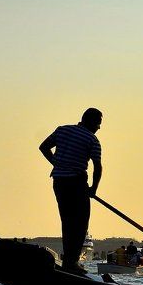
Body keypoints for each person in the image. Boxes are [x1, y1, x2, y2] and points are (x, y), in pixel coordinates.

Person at [39, 108, 103, 275]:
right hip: (77, 182)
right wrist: (93, 189)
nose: (98, 128)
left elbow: (43, 147)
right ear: (91, 122)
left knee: (67, 222)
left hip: (59, 182)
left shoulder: (62, 130)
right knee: (80, 223)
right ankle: (71, 262)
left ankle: (69, 261)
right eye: (98, 124)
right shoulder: (92, 139)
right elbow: (98, 167)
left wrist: (57, 163)